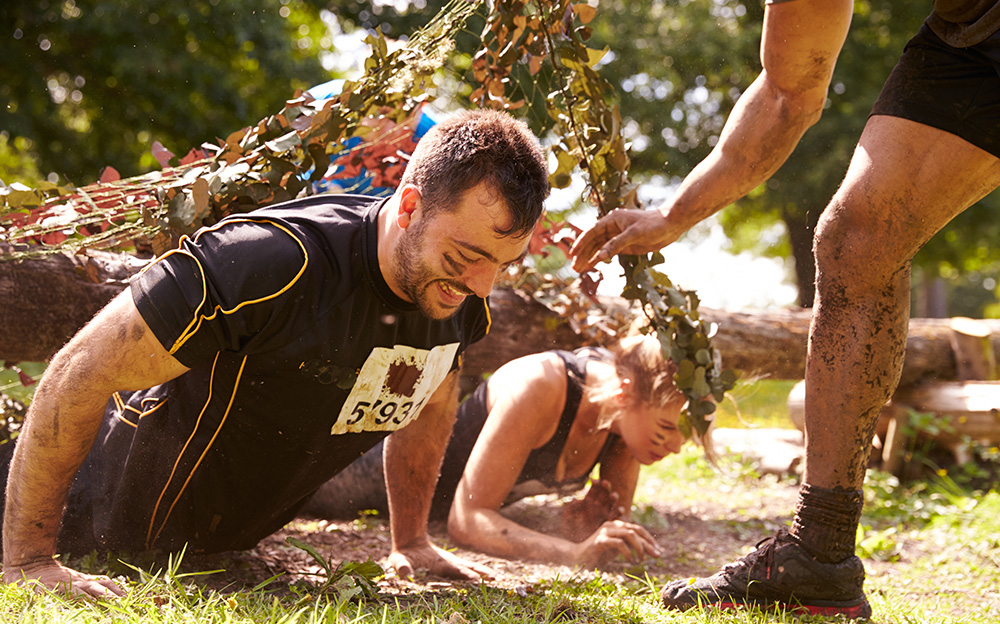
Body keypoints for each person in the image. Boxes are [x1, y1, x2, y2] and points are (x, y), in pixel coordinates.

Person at [0, 108, 550, 598]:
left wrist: (411, 541)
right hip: (83, 512)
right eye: (465, 256)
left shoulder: (456, 304)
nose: (483, 286)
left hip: (208, 551)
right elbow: (76, 372)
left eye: (503, 265)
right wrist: (29, 560)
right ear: (409, 207)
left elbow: (429, 404)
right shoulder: (267, 262)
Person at [570, 0, 1000, 619]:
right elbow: (787, 93)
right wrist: (673, 215)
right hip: (973, 38)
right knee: (858, 238)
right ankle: (820, 550)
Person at [304, 333, 691, 567]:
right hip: (368, 471)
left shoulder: (625, 430)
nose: (675, 447)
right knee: (301, 491)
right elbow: (468, 519)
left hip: (435, 510)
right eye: (666, 428)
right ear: (624, 393)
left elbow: (602, 535)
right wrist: (571, 554)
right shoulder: (543, 385)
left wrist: (579, 530)